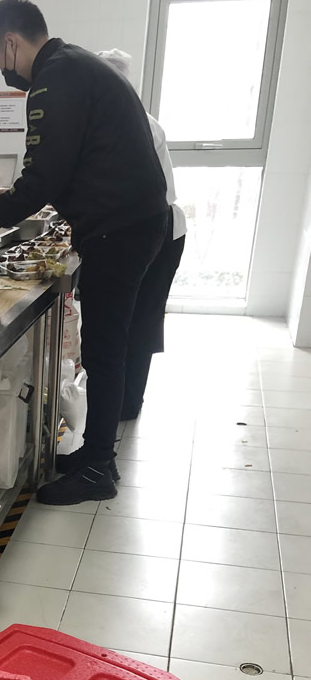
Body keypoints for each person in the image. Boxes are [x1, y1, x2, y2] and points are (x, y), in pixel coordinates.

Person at [0, 0, 169, 506]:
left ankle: (97, 471)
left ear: (11, 42)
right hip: (133, 223)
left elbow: (45, 173)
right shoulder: (75, 64)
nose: (5, 74)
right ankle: (94, 457)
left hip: (120, 229)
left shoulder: (53, 78)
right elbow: (69, 164)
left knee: (104, 350)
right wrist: (15, 198)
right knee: (107, 346)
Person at [97, 48, 187, 421]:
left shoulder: (140, 125)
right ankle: (121, 399)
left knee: (141, 319)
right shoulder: (114, 121)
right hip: (142, 228)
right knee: (128, 318)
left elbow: (126, 191)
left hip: (160, 231)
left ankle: (129, 402)